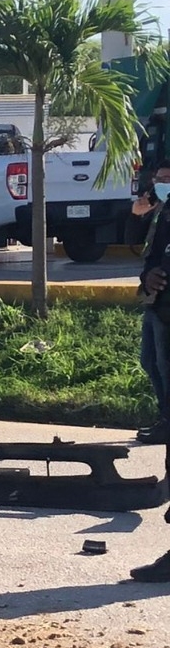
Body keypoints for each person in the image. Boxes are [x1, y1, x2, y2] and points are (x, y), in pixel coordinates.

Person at [134, 160, 170, 445]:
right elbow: (148, 249)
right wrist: (148, 276)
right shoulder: (161, 209)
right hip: (154, 298)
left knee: (165, 363)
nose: (162, 183)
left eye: (168, 179)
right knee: (149, 360)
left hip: (166, 301)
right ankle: (164, 418)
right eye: (159, 179)